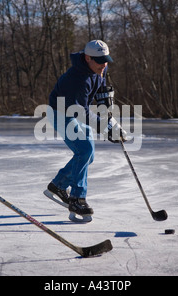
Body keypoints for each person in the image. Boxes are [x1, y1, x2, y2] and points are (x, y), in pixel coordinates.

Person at [44, 40, 127, 222]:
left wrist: (113, 124)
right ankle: (77, 198)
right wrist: (106, 129)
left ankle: (58, 185)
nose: (104, 64)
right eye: (99, 60)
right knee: (84, 150)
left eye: (105, 60)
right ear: (88, 58)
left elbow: (102, 98)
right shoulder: (77, 78)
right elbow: (79, 112)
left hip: (75, 112)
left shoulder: (98, 70)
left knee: (89, 155)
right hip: (61, 113)